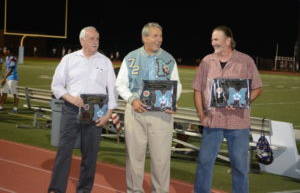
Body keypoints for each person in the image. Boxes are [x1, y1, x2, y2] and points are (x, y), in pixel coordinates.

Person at [193, 25, 262, 193]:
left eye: (216, 39)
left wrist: (241, 100)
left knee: (239, 165)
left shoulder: (246, 61)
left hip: (238, 122)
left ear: (228, 40)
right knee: (204, 162)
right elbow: (198, 89)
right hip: (212, 120)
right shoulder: (207, 61)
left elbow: (257, 88)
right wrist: (201, 115)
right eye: (212, 39)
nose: (213, 42)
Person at [48, 26, 118, 193]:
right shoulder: (69, 59)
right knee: (64, 152)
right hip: (71, 110)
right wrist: (70, 98)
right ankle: (56, 189)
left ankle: (84, 190)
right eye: (92, 39)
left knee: (90, 156)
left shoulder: (105, 61)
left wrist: (108, 114)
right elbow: (56, 86)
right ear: (82, 40)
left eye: (97, 39)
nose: (95, 42)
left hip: (96, 112)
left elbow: (113, 91)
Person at [115, 22, 182, 193]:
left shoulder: (169, 59)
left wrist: (173, 100)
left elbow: (177, 85)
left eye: (160, 36)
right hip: (136, 112)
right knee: (134, 158)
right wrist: (131, 99)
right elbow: (120, 84)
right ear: (144, 37)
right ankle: (134, 190)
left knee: (161, 160)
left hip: (161, 115)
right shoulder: (131, 57)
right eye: (155, 36)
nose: (159, 39)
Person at [0, 47, 19, 113]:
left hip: (13, 77)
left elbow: (11, 70)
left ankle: (15, 108)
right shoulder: (7, 58)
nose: (3, 51)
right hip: (8, 77)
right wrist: (4, 78)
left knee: (14, 93)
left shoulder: (12, 59)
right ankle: (1, 107)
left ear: (8, 50)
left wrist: (4, 78)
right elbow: (6, 69)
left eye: (5, 50)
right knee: (4, 93)